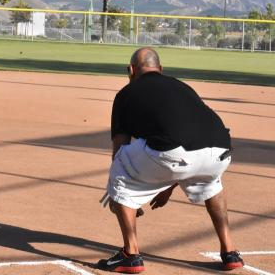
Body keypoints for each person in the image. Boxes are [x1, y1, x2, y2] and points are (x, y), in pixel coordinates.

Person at [97, 47, 244, 274]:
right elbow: (189, 138)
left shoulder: (126, 94)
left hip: (175, 154)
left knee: (119, 168)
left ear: (130, 70)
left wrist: (122, 198)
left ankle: (131, 254)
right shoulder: (182, 86)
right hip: (220, 151)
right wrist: (167, 184)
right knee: (211, 186)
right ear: (161, 69)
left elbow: (120, 149)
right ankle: (230, 252)